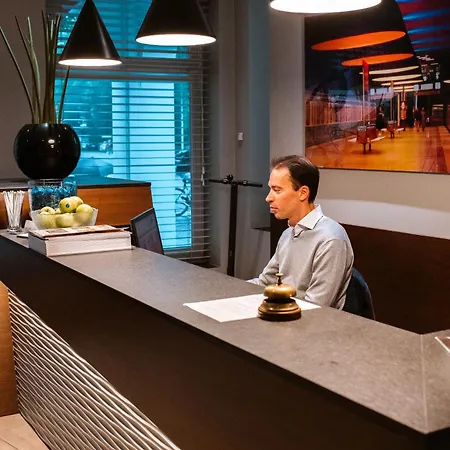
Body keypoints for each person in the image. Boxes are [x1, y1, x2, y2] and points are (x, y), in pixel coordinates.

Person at [248, 155, 354, 309]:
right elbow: (265, 283)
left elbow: (316, 306)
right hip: (285, 314)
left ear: (303, 193)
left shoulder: (331, 239)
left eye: (277, 190)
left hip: (308, 321)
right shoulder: (288, 233)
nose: (268, 198)